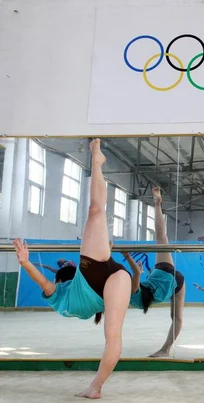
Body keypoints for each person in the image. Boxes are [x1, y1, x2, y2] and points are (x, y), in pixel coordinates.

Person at [13, 139, 131, 399]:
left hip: (98, 272)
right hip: (106, 279)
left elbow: (45, 283)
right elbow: (44, 282)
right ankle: (95, 387)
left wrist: (25, 263)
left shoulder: (62, 299)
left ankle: (95, 387)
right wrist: (24, 263)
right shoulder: (61, 296)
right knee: (112, 337)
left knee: (96, 211)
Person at [121, 187, 185, 357]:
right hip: (165, 273)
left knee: (177, 318)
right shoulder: (132, 292)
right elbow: (134, 275)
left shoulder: (134, 299)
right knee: (161, 238)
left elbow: (136, 276)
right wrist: (127, 256)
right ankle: (157, 204)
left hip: (174, 284)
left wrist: (138, 271)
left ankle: (165, 350)